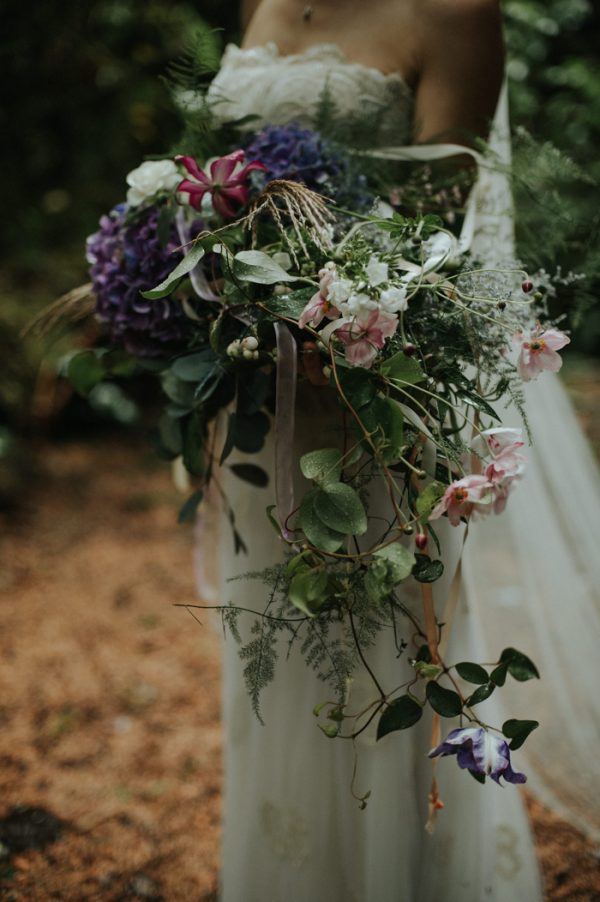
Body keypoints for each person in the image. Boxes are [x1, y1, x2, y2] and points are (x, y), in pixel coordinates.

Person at [196, 1, 600, 899]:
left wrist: (312, 309)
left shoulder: (455, 10)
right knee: (271, 665)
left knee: (377, 662)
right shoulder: (266, 0)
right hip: (255, 403)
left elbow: (432, 237)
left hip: (371, 402)